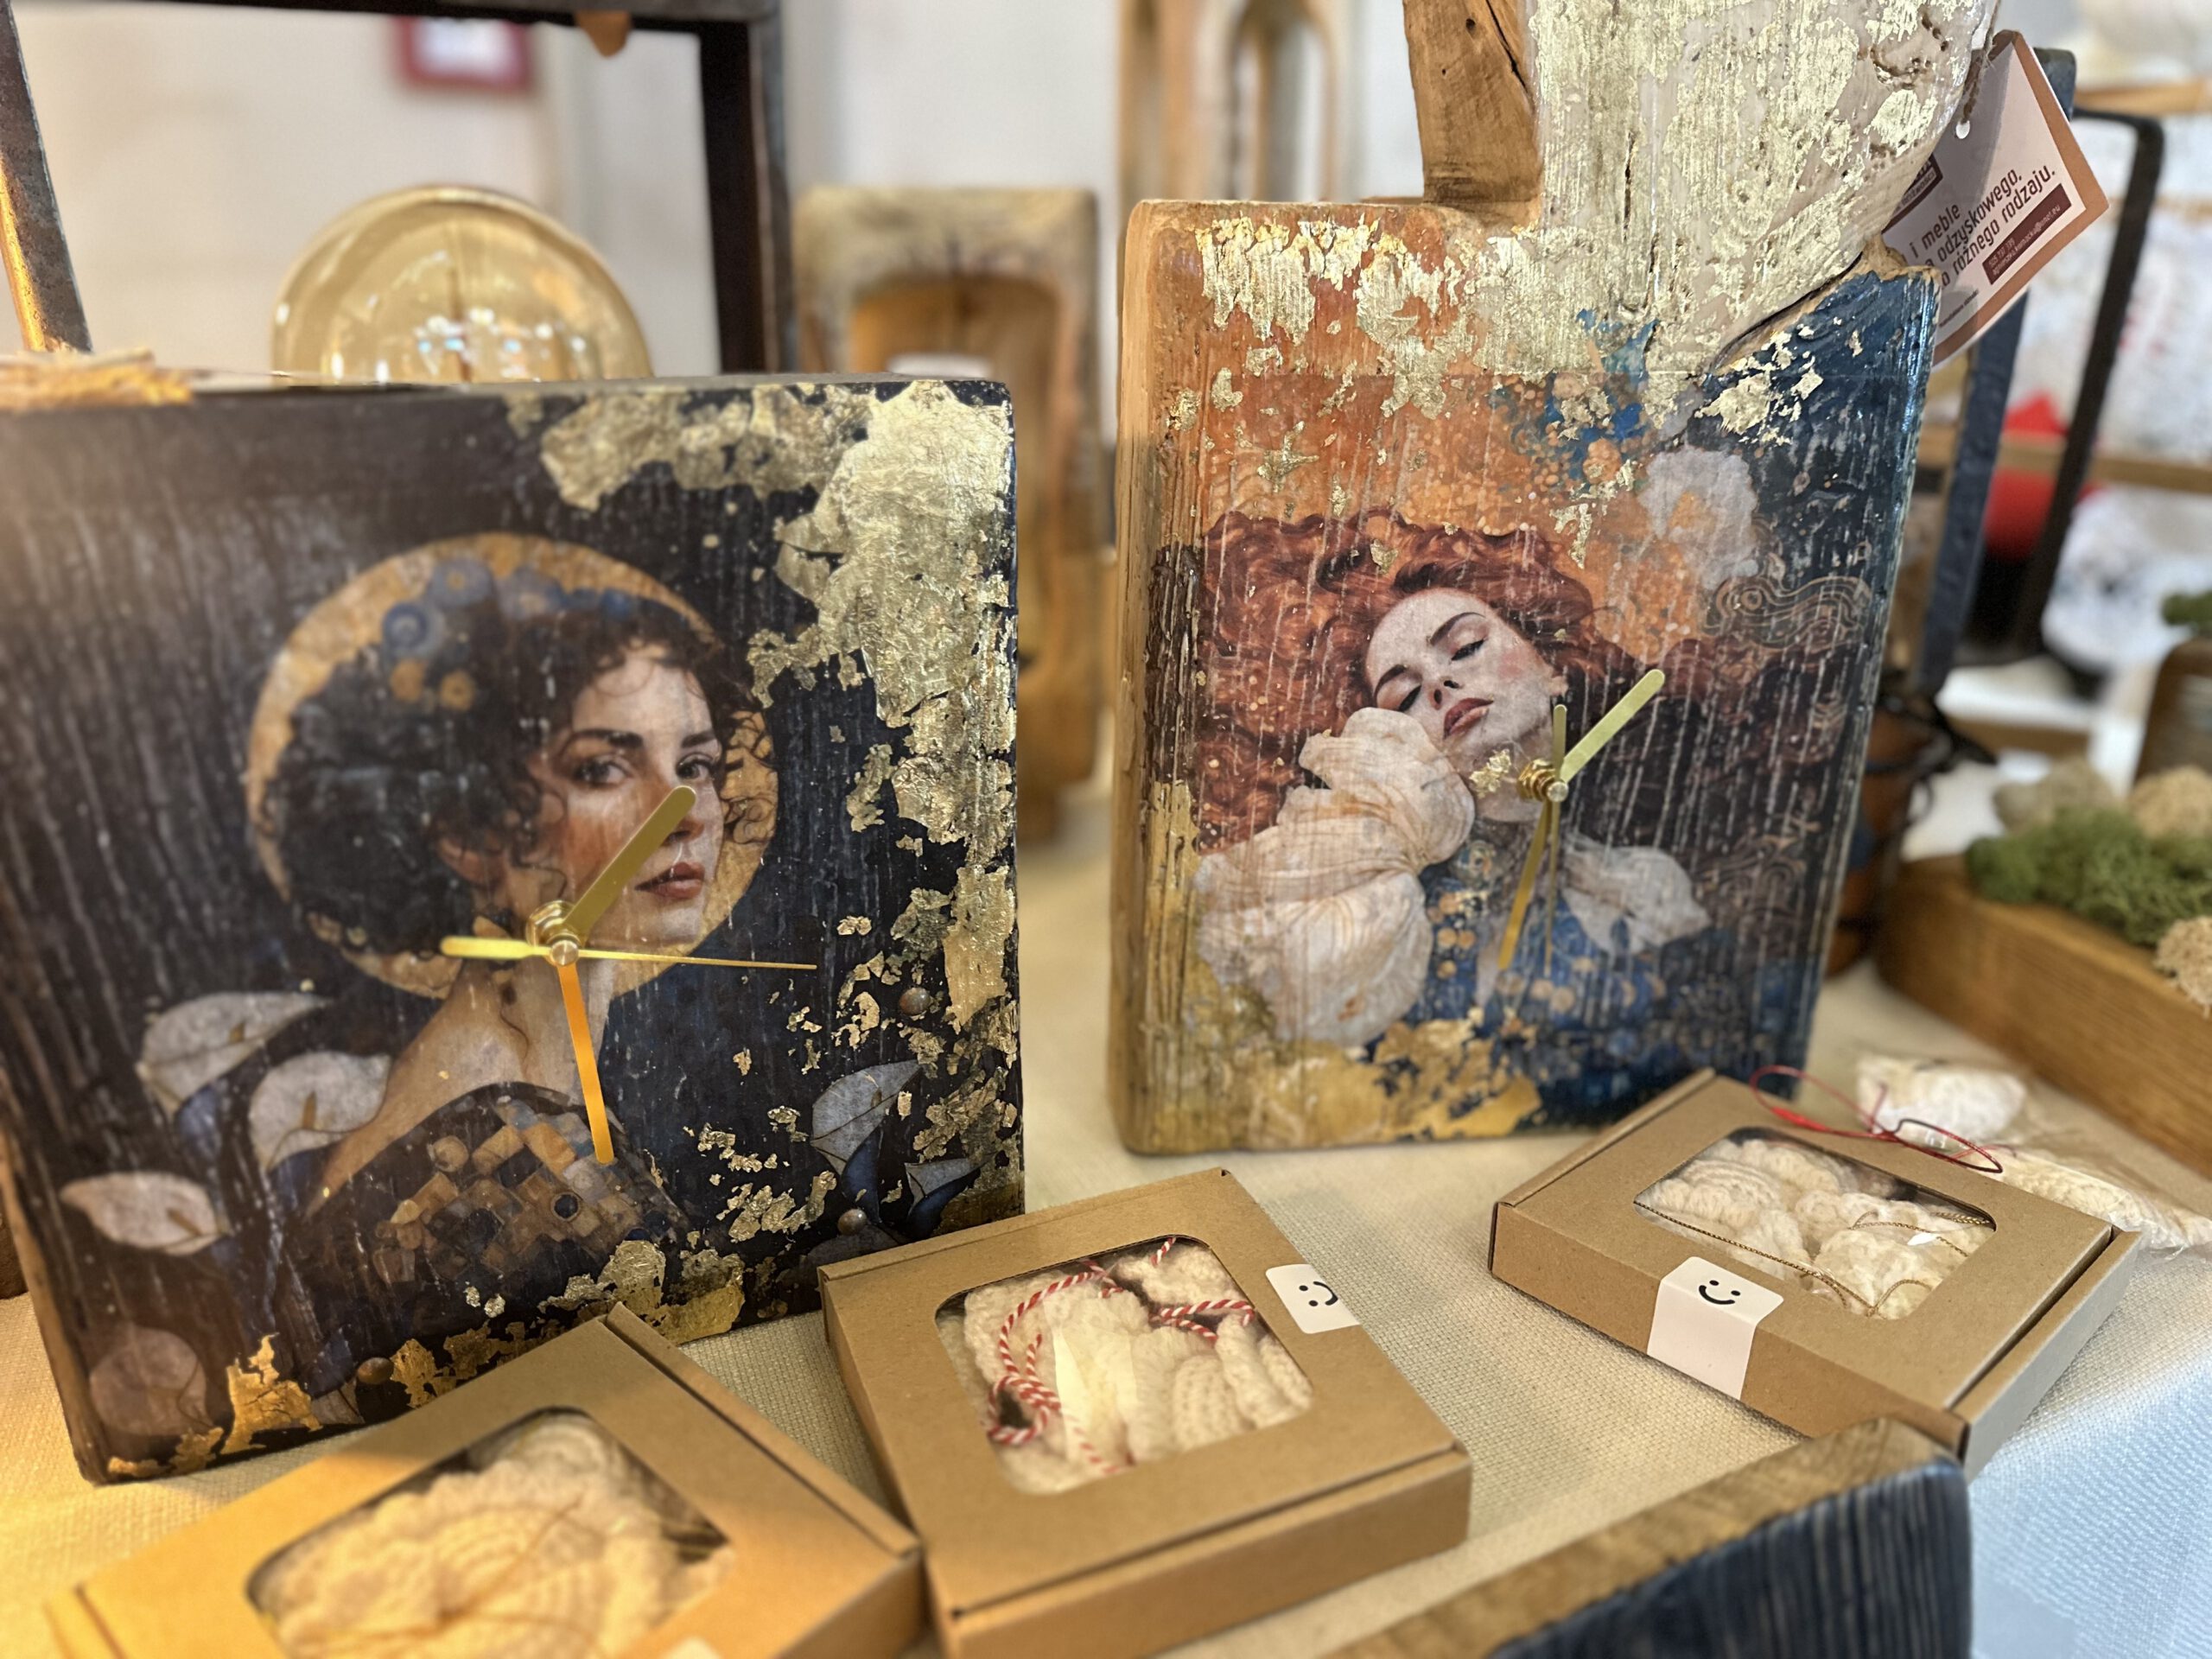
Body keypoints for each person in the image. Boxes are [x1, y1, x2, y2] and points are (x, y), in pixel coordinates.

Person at [255, 557, 769, 1396]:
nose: (684, 813)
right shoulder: (489, 1123)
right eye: (603, 768)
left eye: (696, 764)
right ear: (467, 833)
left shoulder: (534, 1065)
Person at [1188, 510, 1732, 1125]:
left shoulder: (1641, 891)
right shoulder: (1384, 913)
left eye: (1467, 647)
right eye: (1404, 696)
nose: (1441, 683)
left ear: (1548, 658)